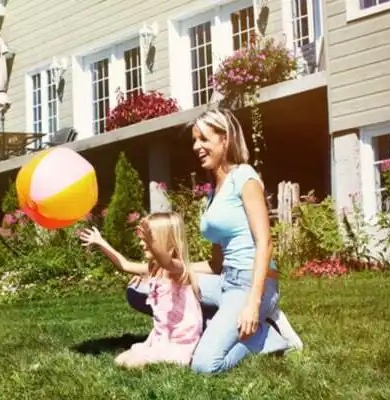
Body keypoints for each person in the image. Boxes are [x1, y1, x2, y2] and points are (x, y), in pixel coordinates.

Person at [185, 107, 303, 374]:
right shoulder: (213, 193)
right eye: (194, 140)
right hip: (226, 280)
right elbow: (216, 263)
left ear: (224, 139)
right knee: (154, 287)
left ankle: (267, 335)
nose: (196, 146)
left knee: (204, 366)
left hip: (252, 285)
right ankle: (206, 328)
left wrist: (253, 303)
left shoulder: (244, 177)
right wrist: (175, 270)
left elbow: (265, 242)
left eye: (203, 139)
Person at [79, 212, 203, 368]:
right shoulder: (153, 269)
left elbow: (167, 262)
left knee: (132, 364)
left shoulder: (178, 269)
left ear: (168, 242)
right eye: (143, 240)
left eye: (148, 240)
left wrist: (151, 241)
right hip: (161, 336)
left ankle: (173, 358)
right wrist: (100, 242)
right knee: (120, 361)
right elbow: (124, 265)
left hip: (179, 340)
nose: (142, 244)